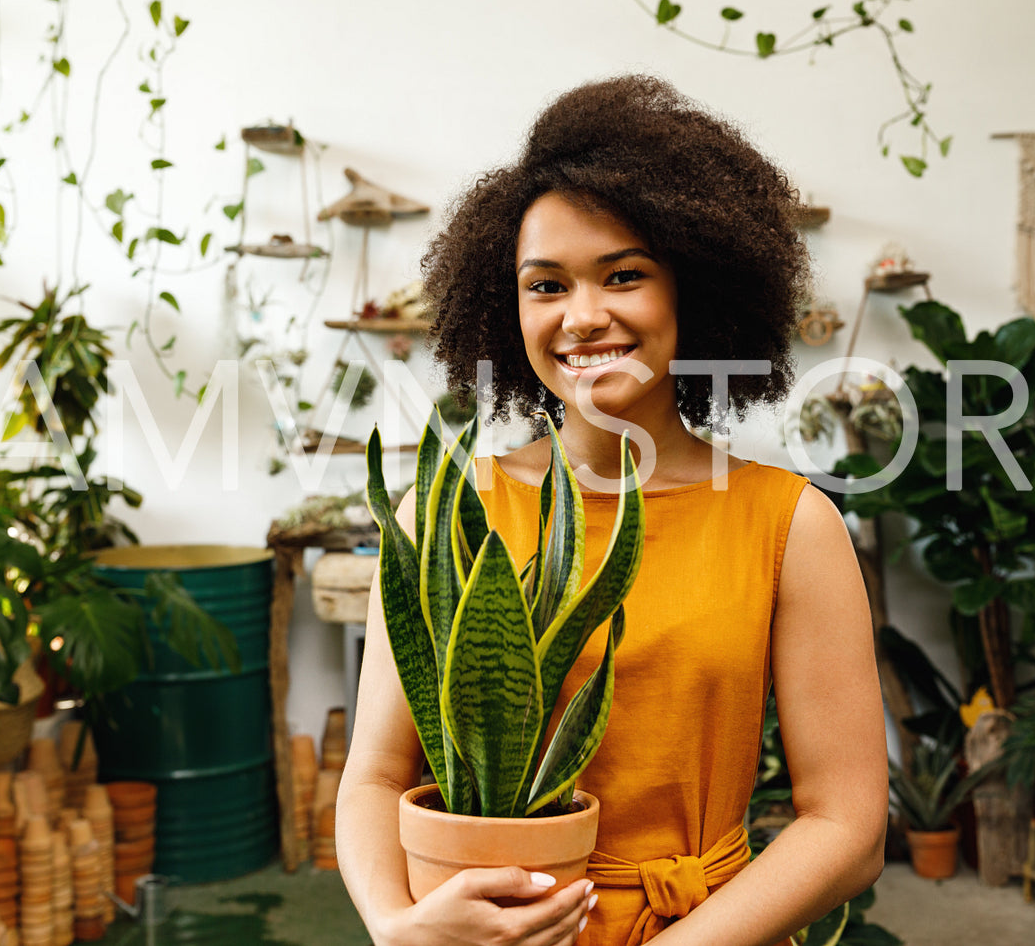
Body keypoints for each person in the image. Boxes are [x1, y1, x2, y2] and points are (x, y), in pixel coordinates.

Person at [336, 75, 886, 946]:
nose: (583, 317)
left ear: (692, 293)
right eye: (545, 286)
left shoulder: (787, 523)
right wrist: (399, 928)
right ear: (504, 306)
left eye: (622, 275)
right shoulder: (445, 512)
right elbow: (372, 775)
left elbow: (847, 829)